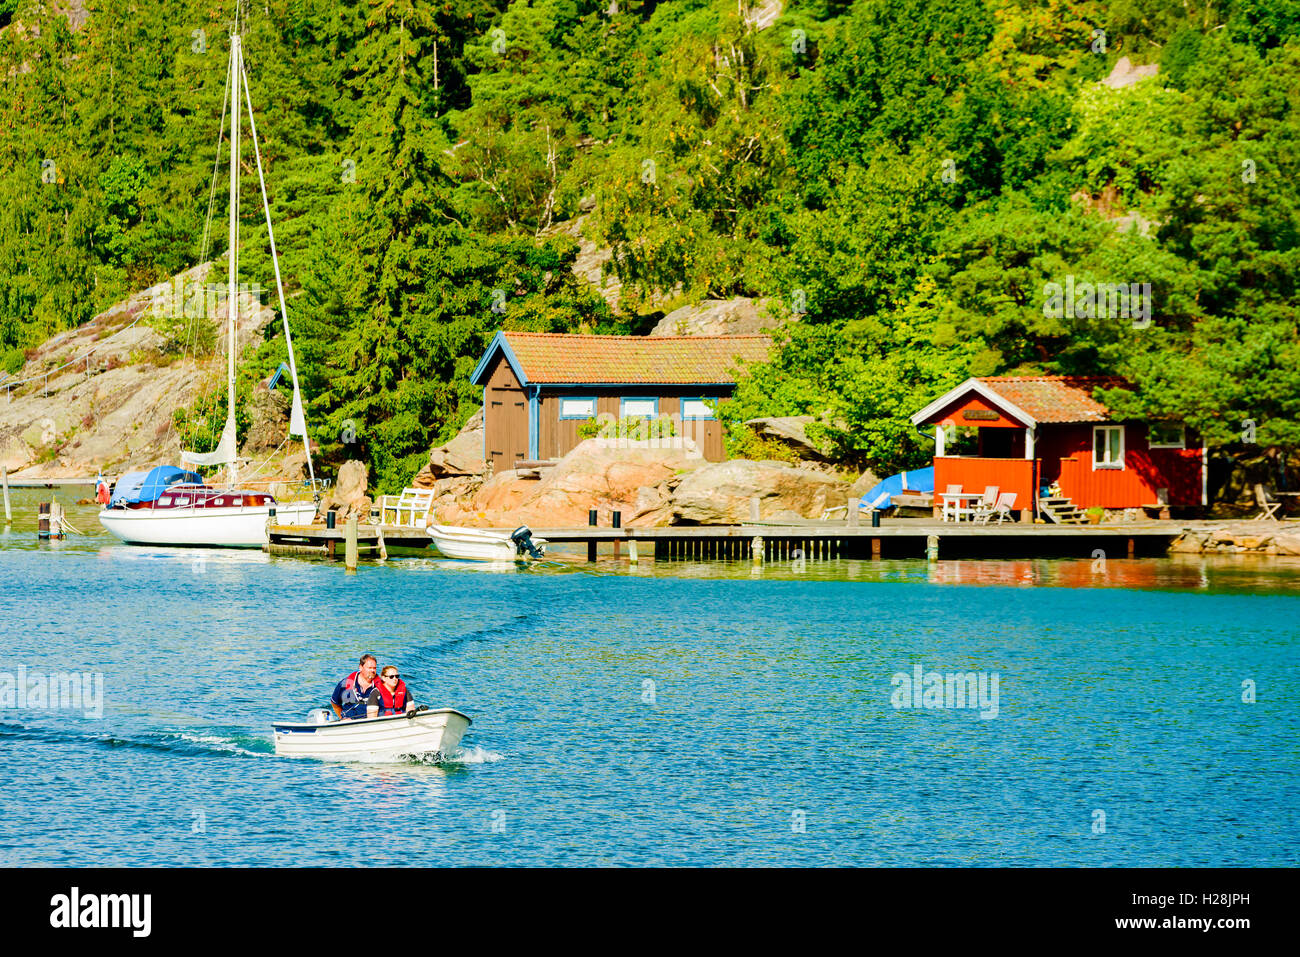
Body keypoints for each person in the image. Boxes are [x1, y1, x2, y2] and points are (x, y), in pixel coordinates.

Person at [331, 654, 380, 720]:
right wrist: (342, 718)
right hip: (349, 721)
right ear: (360, 667)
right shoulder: (346, 683)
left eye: (374, 668)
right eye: (369, 668)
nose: (372, 671)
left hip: (370, 721)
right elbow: (335, 703)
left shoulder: (381, 686)